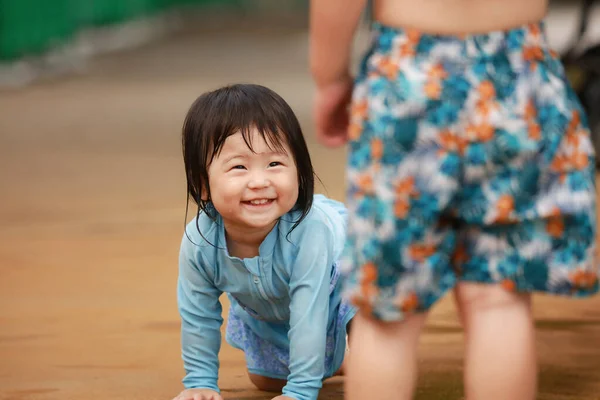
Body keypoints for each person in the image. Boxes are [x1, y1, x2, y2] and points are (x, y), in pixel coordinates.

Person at [309, 0, 598, 399]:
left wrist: (331, 77)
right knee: (499, 298)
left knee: (389, 313)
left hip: (409, 74)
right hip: (516, 72)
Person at [172, 84, 355, 400]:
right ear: (203, 184)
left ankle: (354, 354)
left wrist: (299, 391)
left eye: (275, 164)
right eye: (239, 167)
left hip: (348, 277)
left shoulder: (308, 233)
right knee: (265, 381)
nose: (259, 182)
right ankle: (336, 360)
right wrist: (199, 382)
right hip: (269, 306)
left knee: (370, 356)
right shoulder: (200, 243)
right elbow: (198, 315)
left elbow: (308, 313)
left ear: (298, 173)